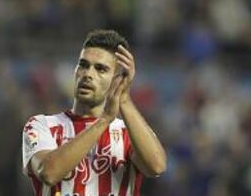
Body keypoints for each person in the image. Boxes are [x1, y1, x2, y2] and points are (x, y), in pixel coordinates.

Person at [22, 29, 167, 196]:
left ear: (117, 79)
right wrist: (103, 121)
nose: (88, 74)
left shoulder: (128, 132)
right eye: (83, 65)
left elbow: (156, 166)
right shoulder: (41, 125)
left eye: (100, 69)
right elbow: (49, 172)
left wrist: (124, 100)